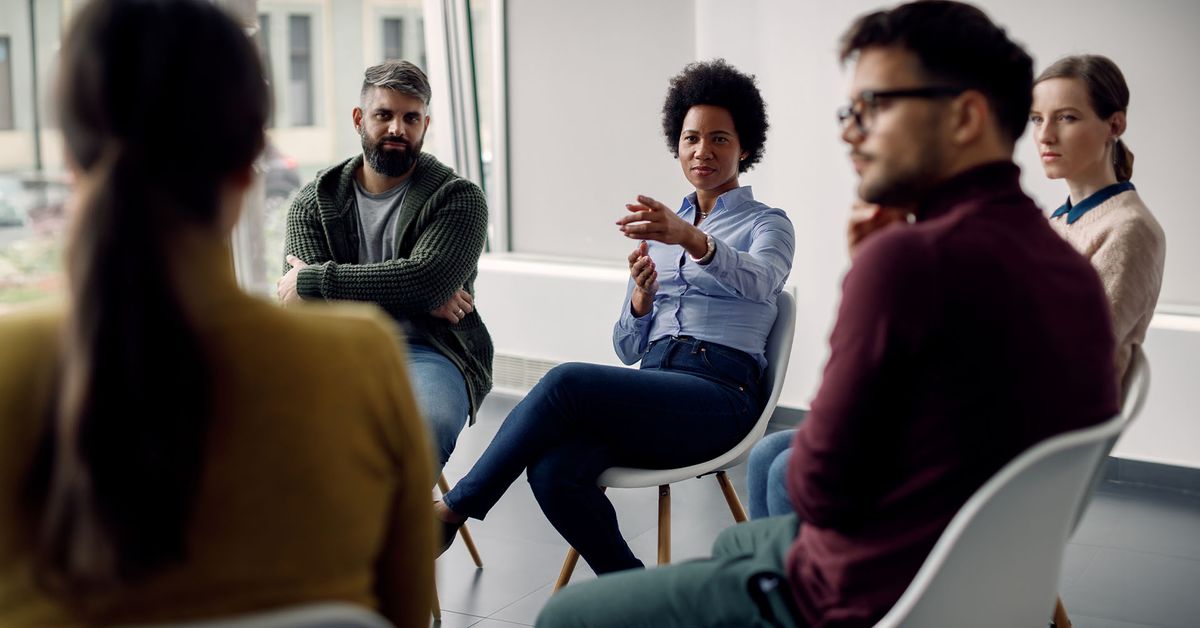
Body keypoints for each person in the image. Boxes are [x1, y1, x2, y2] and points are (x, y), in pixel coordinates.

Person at [537, 2, 1118, 626]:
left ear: (967, 117)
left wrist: (872, 277)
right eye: (850, 111)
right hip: (971, 578)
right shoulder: (1066, 267)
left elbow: (818, 486)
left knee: (567, 617)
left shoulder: (905, 261)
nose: (850, 131)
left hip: (859, 592)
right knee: (738, 538)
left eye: (873, 107)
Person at [0, 1, 433, 625]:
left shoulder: (10, 369)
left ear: (70, 155)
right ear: (250, 156)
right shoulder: (360, 364)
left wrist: (321, 282)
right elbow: (407, 614)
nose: (396, 129)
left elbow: (320, 281)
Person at [434, 59, 794, 575]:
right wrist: (640, 305)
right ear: (678, 144)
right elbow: (626, 349)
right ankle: (634, 592)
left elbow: (763, 280)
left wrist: (691, 238)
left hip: (722, 398)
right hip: (658, 388)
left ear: (745, 147)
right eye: (691, 138)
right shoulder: (661, 230)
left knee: (565, 383)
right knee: (555, 470)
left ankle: (452, 511)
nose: (702, 151)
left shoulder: (769, 225)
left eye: (719, 139)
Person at [278, 60, 492, 477]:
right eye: (384, 115)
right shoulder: (313, 201)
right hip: (336, 354)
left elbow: (425, 280)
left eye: (411, 118)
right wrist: (413, 293)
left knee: (421, 431)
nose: (397, 128)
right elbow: (303, 311)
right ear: (360, 119)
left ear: (425, 125)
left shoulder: (460, 199)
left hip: (430, 352)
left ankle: (388, 538)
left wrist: (315, 279)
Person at [1031, 54, 1166, 385]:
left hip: (1062, 418)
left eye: (1066, 118)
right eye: (1036, 119)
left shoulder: (1128, 229)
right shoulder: (1059, 221)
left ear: (1115, 125)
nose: (1045, 135)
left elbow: (1076, 355)